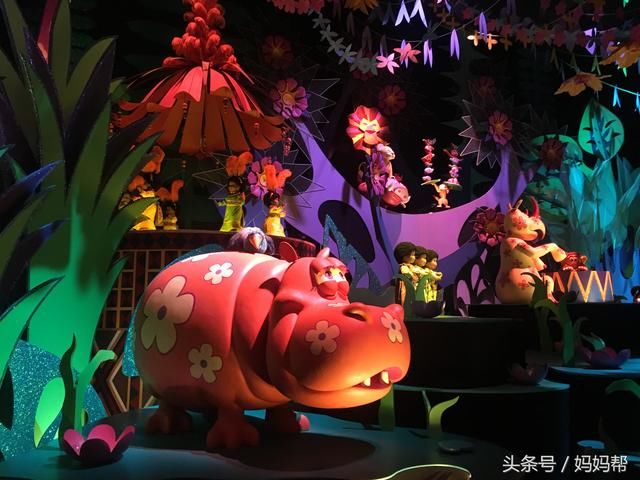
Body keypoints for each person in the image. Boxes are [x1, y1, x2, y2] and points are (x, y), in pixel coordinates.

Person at [393, 241, 417, 306]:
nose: (414, 257)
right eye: (412, 255)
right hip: (406, 289)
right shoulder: (404, 267)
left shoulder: (410, 266)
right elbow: (408, 275)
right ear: (404, 256)